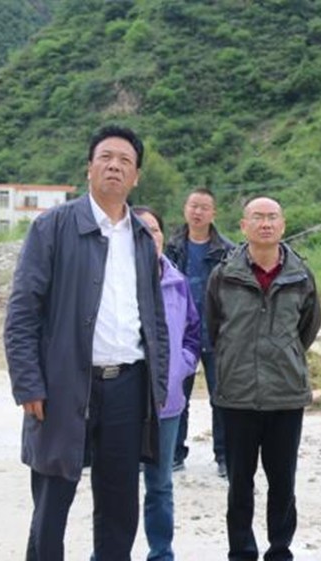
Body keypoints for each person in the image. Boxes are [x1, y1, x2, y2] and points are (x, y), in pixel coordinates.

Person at [5, 124, 169, 560]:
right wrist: (28, 383)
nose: (115, 166)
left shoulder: (141, 238)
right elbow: (22, 312)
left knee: (119, 506)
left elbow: (155, 320)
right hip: (63, 386)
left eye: (125, 161)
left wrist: (157, 385)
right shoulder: (53, 226)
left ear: (136, 177)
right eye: (106, 158)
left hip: (128, 386)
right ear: (89, 168)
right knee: (52, 503)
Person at [206, 196, 321, 561]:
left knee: (282, 482)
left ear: (283, 225)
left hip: (285, 395)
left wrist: (283, 357)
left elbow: (308, 327)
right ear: (244, 226)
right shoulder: (224, 275)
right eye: (258, 217)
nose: (266, 224)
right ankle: (241, 551)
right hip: (237, 394)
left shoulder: (300, 275)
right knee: (240, 482)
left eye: (272, 217)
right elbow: (214, 327)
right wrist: (237, 357)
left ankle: (279, 550)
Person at [134, 206, 201, 561]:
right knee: (117, 485)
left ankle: (161, 553)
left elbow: (193, 331)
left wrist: (182, 366)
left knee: (160, 485)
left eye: (155, 230)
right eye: (140, 230)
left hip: (167, 402)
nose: (149, 236)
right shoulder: (115, 281)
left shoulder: (177, 281)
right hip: (122, 399)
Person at [165, 187, 235, 476]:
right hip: (181, 334)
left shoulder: (227, 250)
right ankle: (173, 453)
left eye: (204, 207)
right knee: (176, 396)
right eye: (193, 206)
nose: (198, 212)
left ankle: (225, 457)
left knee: (222, 398)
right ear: (185, 209)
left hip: (218, 334)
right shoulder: (171, 248)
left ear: (213, 213)